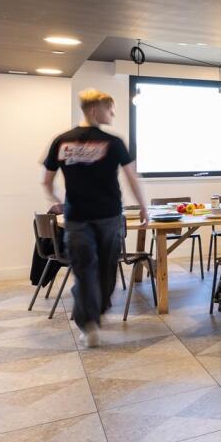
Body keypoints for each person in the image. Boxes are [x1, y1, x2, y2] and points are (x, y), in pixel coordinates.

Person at [42, 89, 149, 347]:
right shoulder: (113, 142)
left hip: (80, 217)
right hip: (106, 217)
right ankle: (91, 319)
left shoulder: (62, 141)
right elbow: (131, 178)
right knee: (101, 270)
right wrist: (143, 206)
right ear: (94, 110)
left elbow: (46, 182)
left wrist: (60, 201)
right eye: (109, 109)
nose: (112, 114)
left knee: (88, 270)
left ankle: (89, 320)